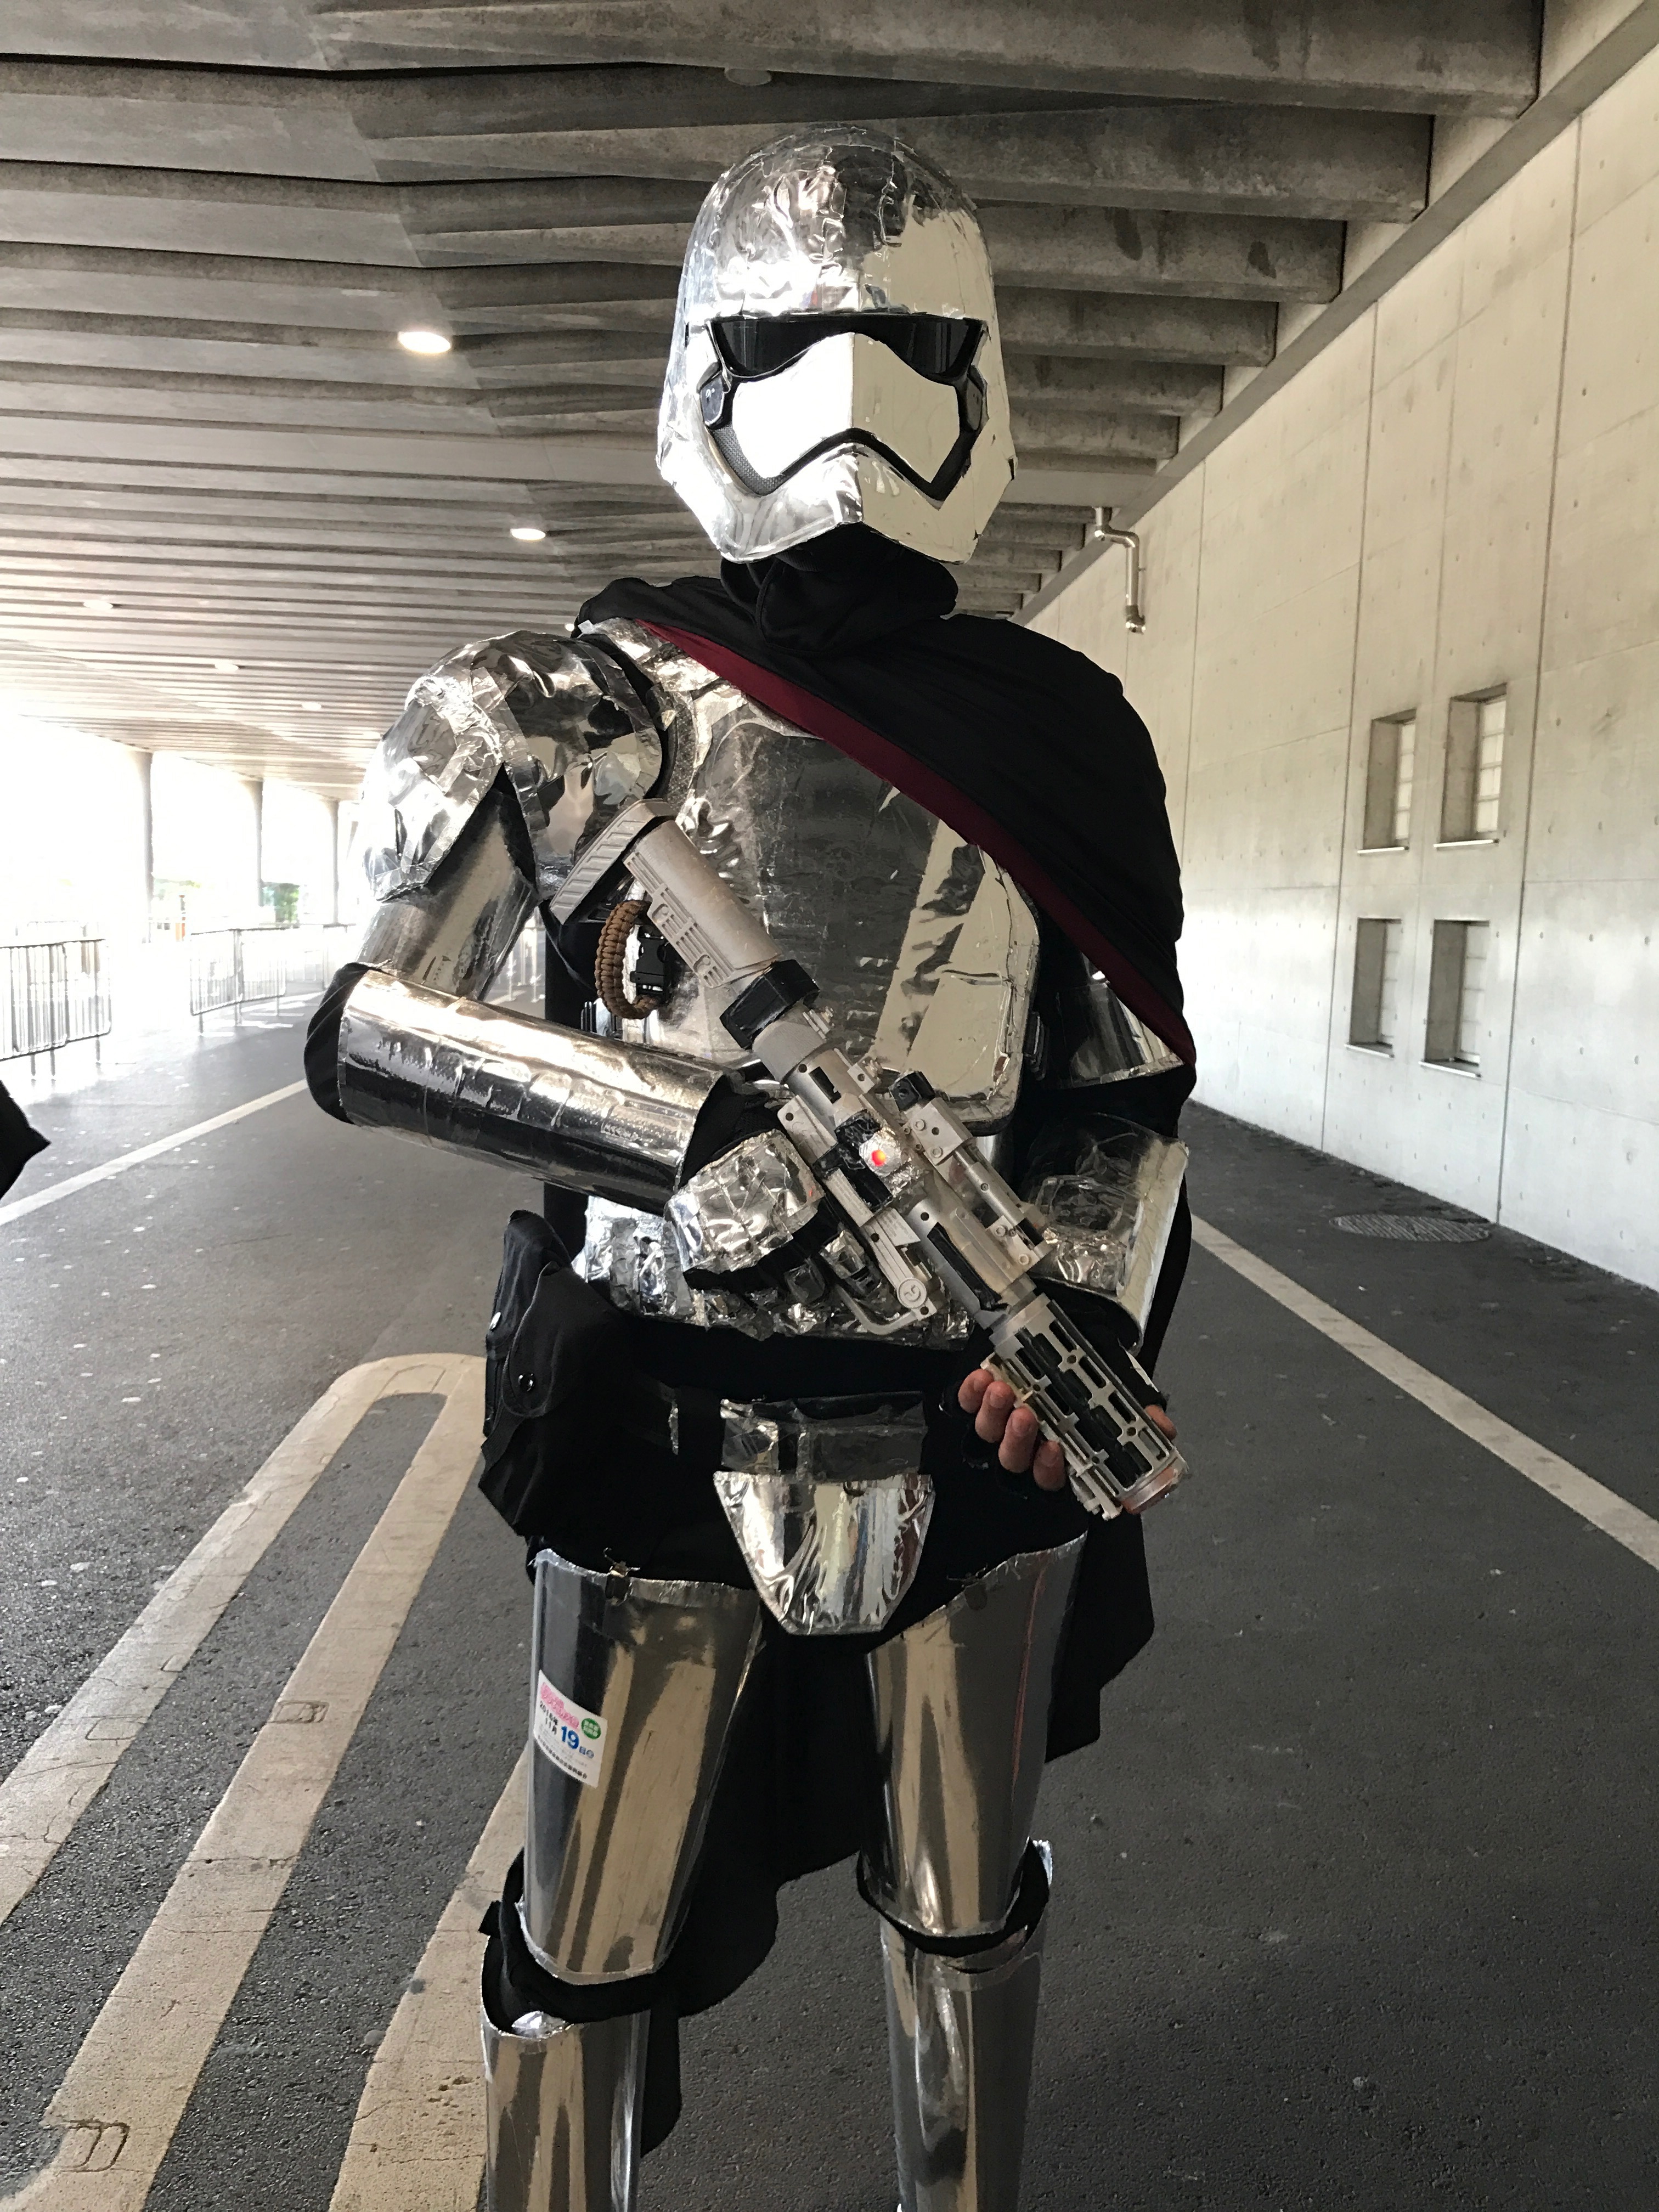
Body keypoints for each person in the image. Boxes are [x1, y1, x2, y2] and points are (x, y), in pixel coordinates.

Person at [307, 127, 1193, 2212]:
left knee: (966, 1914)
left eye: (910, 345)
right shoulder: (559, 706)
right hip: (656, 1411)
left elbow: (1126, 1091)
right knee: (587, 1946)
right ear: (708, 364)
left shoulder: (1059, 728)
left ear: (980, 375)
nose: (853, 392)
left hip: (968, 1427)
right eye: (795, 341)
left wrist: (1073, 1296)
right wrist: (671, 1125)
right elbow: (366, 1027)